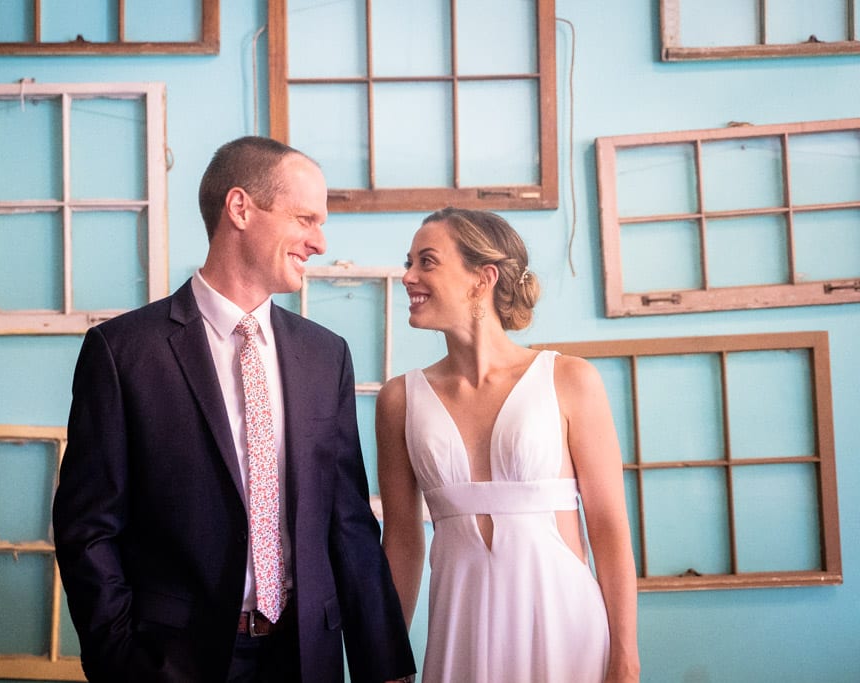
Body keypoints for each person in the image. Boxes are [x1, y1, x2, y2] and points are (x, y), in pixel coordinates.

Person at [53, 136, 416, 683]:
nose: (319, 242)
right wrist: (122, 661)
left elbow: (348, 522)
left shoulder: (325, 355)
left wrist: (383, 663)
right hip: (173, 660)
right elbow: (88, 529)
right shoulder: (123, 351)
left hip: (305, 657)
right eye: (305, 219)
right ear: (241, 208)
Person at [377, 207, 640, 683]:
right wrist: (387, 660)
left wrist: (625, 658)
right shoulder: (400, 399)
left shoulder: (569, 379)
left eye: (426, 262)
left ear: (483, 278)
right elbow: (401, 541)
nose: (408, 276)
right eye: (409, 262)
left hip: (566, 631)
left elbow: (609, 528)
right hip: (461, 631)